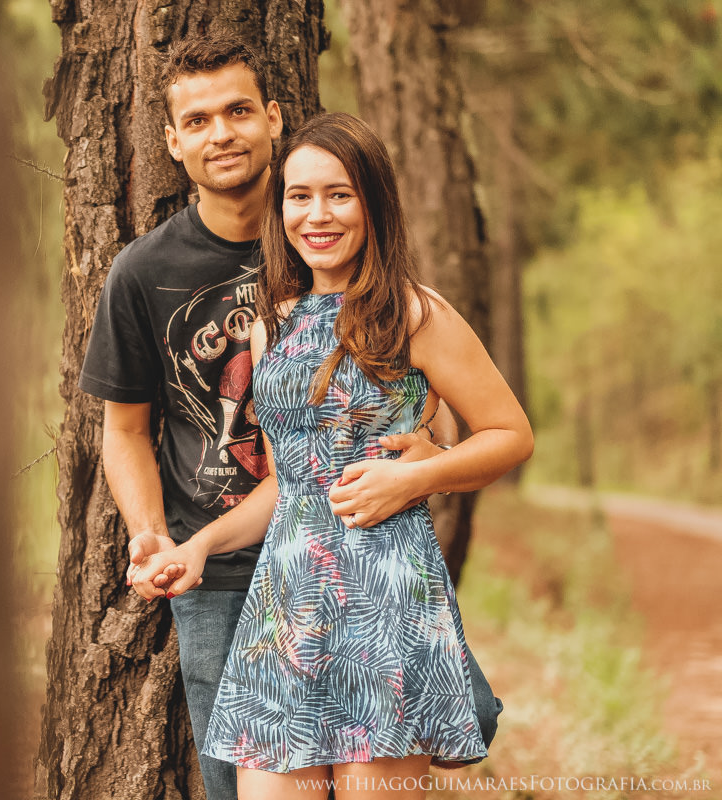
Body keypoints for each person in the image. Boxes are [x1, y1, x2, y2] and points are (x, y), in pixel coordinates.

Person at [79, 35, 493, 800]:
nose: (222, 133)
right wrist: (171, 541)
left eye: (238, 111)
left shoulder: (366, 270)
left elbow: (464, 407)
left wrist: (428, 458)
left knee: (421, 742)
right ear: (171, 141)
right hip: (254, 574)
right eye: (198, 120)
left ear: (273, 118)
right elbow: (140, 433)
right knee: (239, 781)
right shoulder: (167, 280)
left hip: (376, 574)